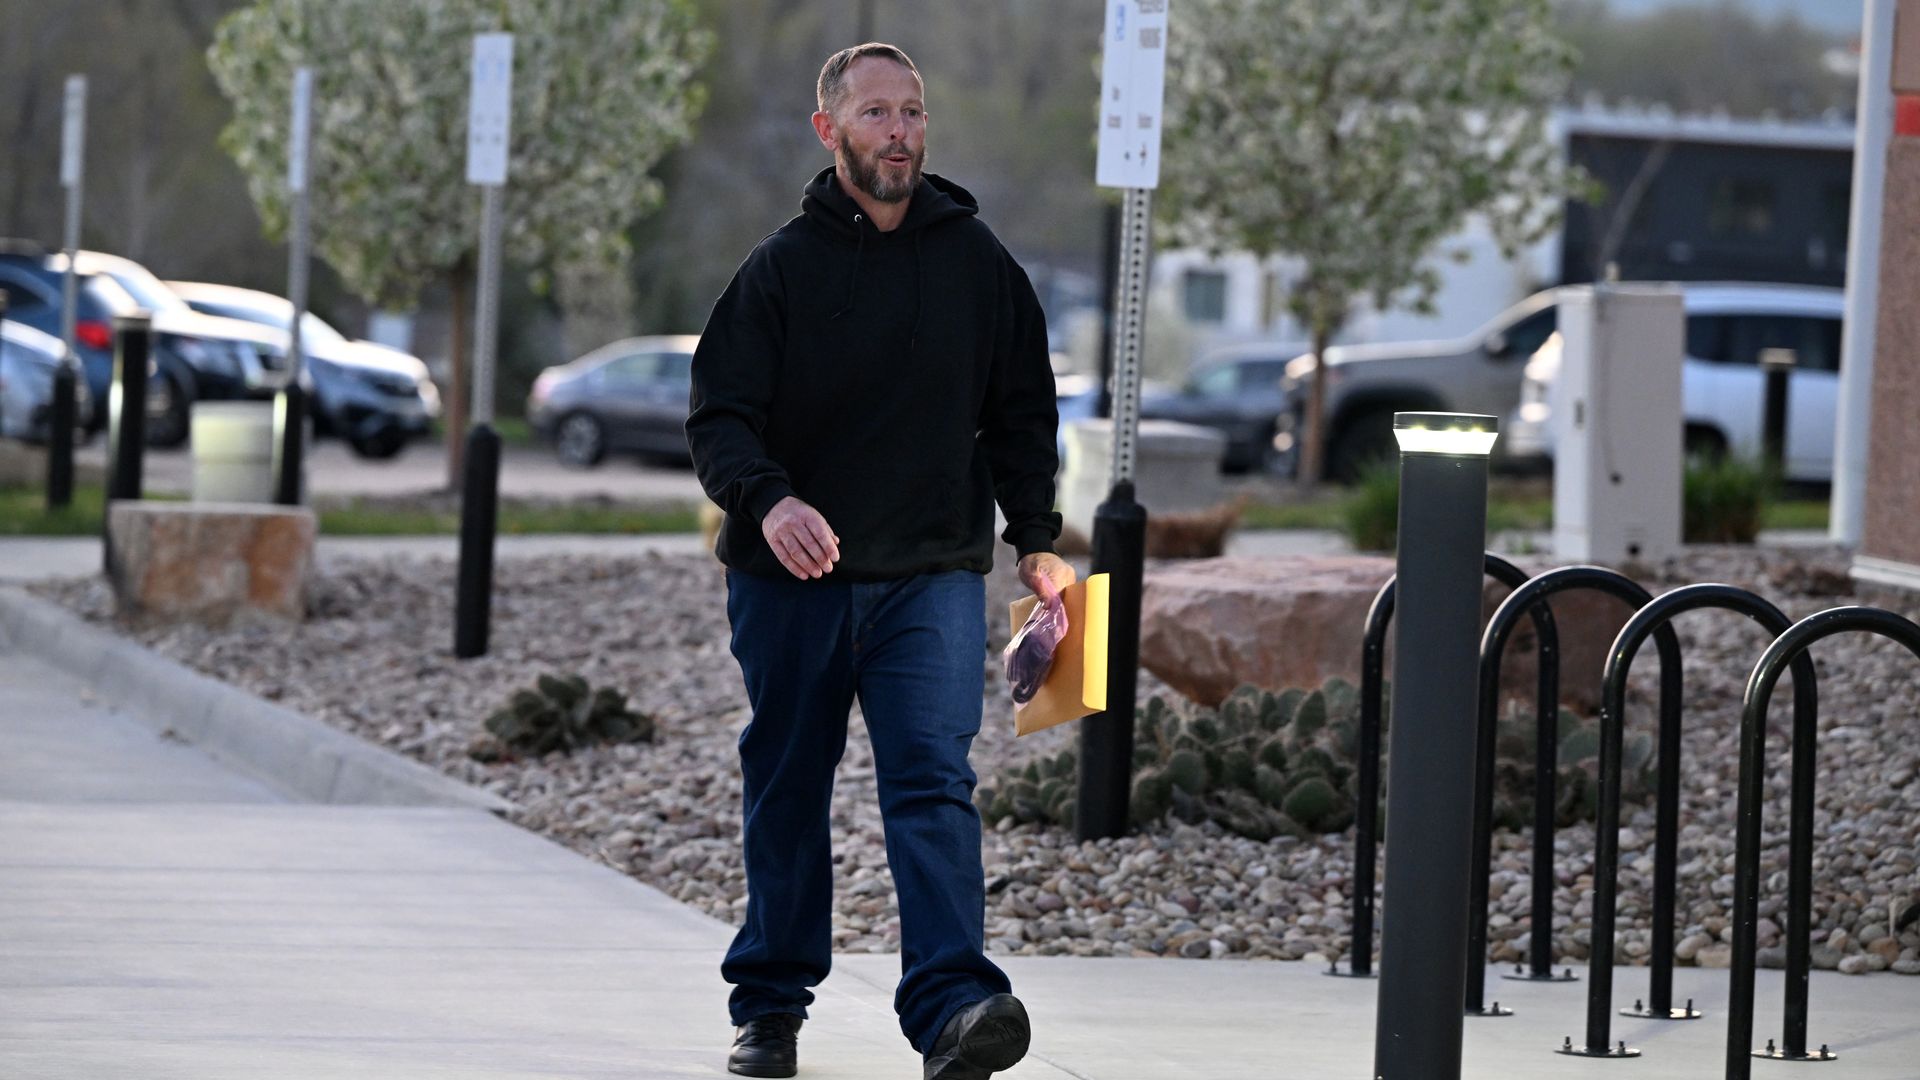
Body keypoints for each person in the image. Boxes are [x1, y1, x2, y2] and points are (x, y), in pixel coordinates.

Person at [685, 41, 1074, 1080]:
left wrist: (1035, 540)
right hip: (793, 586)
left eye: (911, 112)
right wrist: (768, 503)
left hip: (932, 576)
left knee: (934, 783)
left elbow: (1023, 415)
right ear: (831, 131)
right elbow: (719, 418)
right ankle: (768, 1008)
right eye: (875, 114)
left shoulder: (979, 264)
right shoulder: (778, 272)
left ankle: (955, 1007)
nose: (898, 131)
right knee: (787, 784)